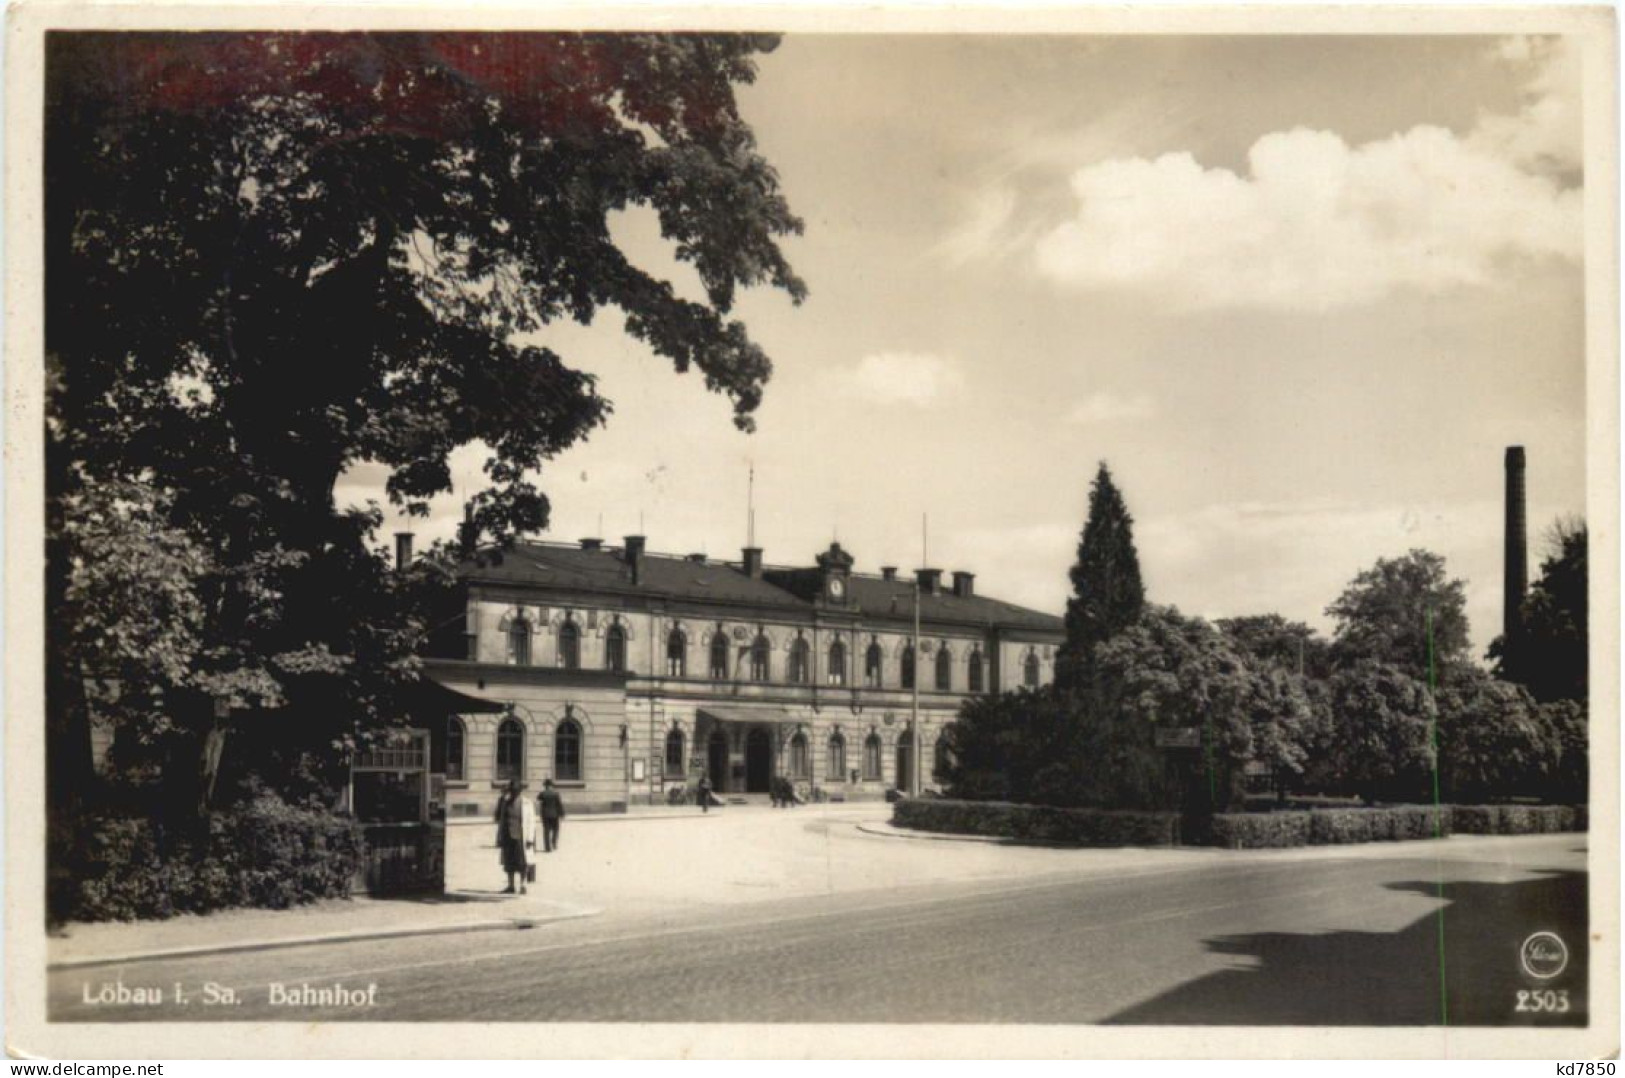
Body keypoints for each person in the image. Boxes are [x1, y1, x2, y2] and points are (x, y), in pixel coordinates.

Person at [493, 779, 528, 894]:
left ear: (520, 791)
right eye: (512, 791)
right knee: (509, 862)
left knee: (522, 862)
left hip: (521, 836)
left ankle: (523, 885)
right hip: (508, 835)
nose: (513, 793)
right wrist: (499, 837)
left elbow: (530, 822)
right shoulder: (505, 803)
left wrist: (530, 839)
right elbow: (501, 820)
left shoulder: (526, 803)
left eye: (515, 791)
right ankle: (511, 886)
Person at [538, 778, 566, 853]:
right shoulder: (556, 793)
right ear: (551, 785)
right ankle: (554, 843)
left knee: (546, 831)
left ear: (546, 786)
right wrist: (562, 814)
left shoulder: (542, 793)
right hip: (554, 814)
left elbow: (539, 798)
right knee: (556, 829)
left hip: (545, 815)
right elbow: (559, 804)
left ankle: (547, 847)